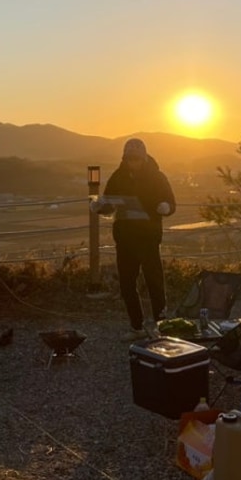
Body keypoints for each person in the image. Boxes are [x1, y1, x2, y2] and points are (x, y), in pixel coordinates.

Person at [93, 138, 176, 342]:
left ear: (144, 157)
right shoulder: (118, 176)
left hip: (148, 238)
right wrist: (100, 207)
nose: (133, 162)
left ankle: (161, 325)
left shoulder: (157, 177)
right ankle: (136, 326)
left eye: (137, 158)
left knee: (154, 281)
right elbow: (110, 202)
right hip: (125, 238)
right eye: (130, 158)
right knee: (127, 284)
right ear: (124, 158)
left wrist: (165, 207)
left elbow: (171, 202)